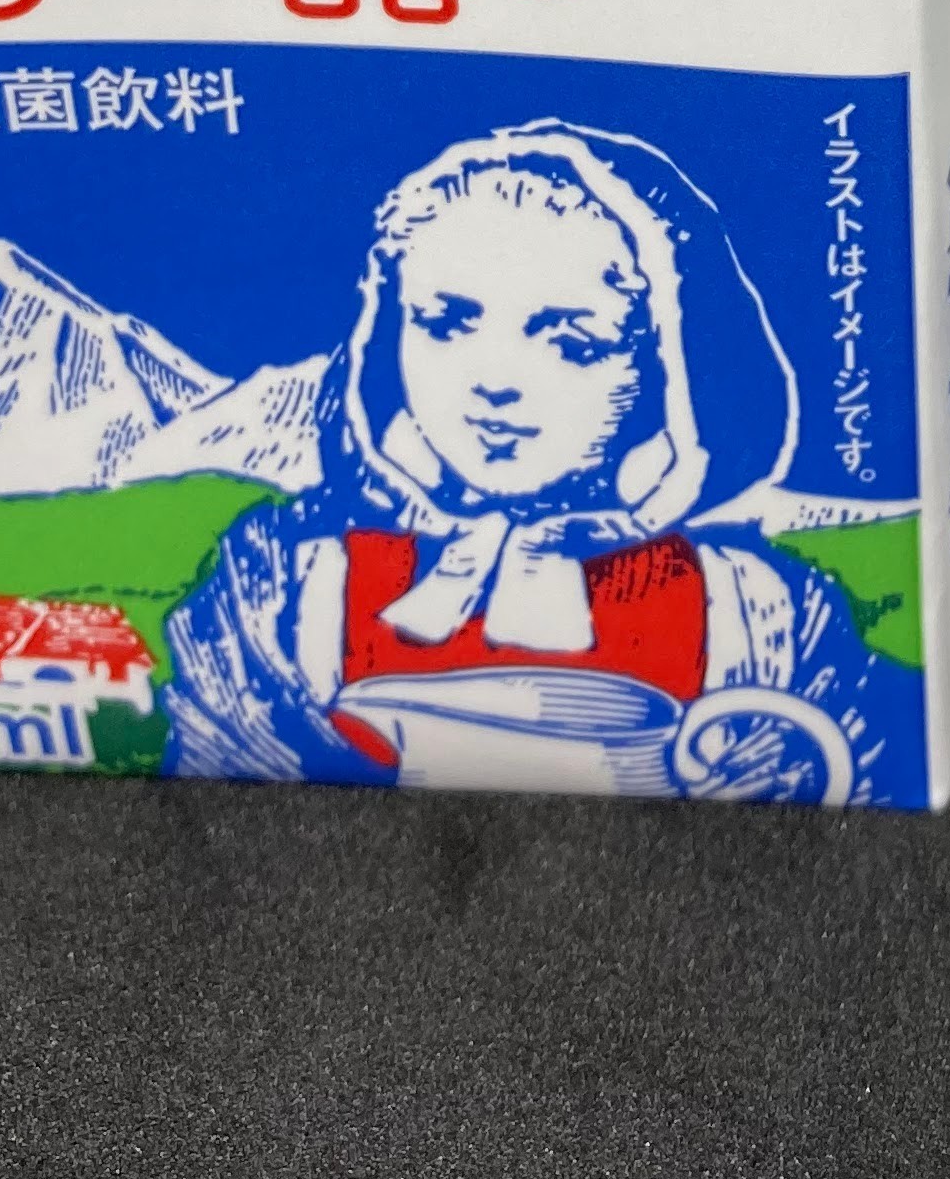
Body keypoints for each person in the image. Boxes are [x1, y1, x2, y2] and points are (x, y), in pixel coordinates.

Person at [162, 119, 888, 795]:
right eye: (447, 323)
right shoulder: (284, 587)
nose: (495, 380)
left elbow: (848, 766)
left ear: (672, 368)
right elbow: (230, 755)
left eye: (572, 342)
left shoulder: (760, 612)